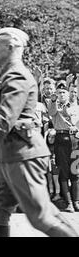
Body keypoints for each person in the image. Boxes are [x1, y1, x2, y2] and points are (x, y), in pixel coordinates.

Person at [0, 27, 78, 237]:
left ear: (11, 47)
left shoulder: (17, 77)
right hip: (9, 156)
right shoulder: (10, 77)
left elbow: (3, 121)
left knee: (41, 217)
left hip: (23, 156)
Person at [48, 82, 79, 212]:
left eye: (63, 92)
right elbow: (51, 111)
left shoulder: (75, 108)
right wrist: (53, 100)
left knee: (75, 171)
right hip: (61, 139)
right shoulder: (54, 106)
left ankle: (77, 201)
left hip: (75, 140)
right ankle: (69, 202)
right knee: (64, 172)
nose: (61, 94)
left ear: (68, 94)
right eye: (59, 92)